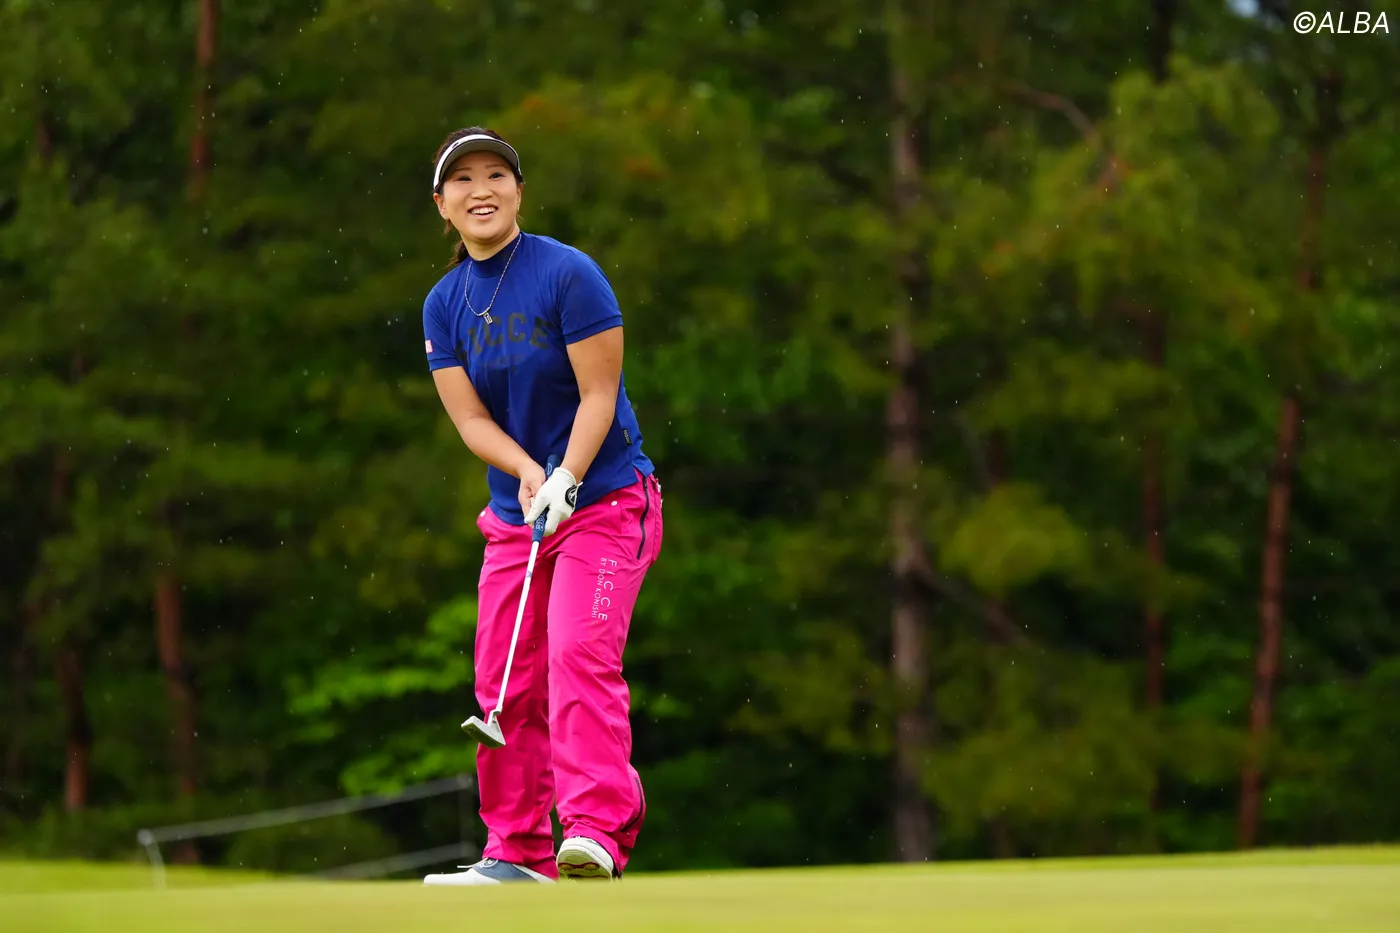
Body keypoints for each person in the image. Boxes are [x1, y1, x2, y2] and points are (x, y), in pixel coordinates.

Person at [418, 127, 663, 886]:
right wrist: (529, 472)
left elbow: (599, 394)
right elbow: (470, 420)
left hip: (608, 503)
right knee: (504, 683)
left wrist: (567, 477)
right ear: (442, 205)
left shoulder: (568, 274)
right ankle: (516, 851)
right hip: (516, 519)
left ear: (519, 191)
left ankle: (595, 831)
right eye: (463, 180)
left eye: (496, 175)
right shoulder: (443, 305)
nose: (481, 190)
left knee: (576, 656)